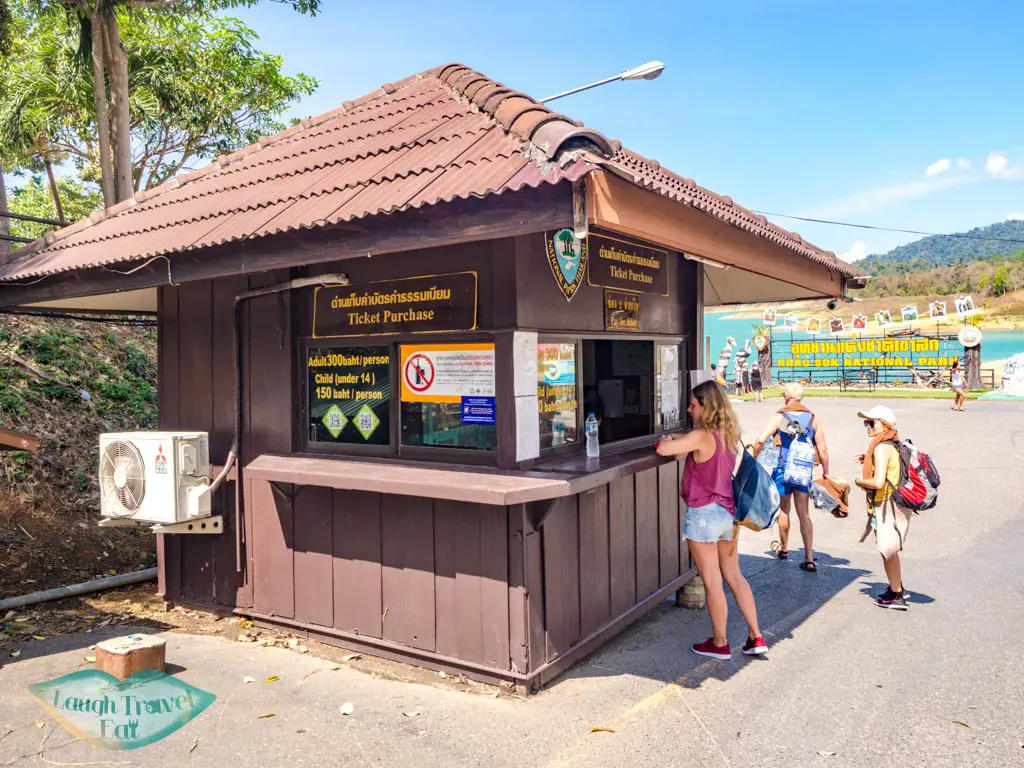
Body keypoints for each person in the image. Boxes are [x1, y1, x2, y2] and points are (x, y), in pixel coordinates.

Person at [656, 379, 768, 659]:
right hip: (727, 514)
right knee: (734, 575)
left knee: (712, 581)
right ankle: (756, 636)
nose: (689, 409)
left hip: (703, 515)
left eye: (693, 404)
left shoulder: (702, 435)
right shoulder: (728, 434)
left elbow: (663, 450)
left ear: (706, 406)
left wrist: (667, 440)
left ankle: (720, 643)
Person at [753, 382, 830, 571]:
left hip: (782, 468)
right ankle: (809, 557)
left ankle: (784, 548)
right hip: (803, 471)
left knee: (784, 510)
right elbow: (823, 449)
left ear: (786, 397)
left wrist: (753, 460)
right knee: (804, 514)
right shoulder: (813, 419)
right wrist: (826, 472)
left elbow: (760, 440)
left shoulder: (779, 417)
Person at [854, 406, 909, 610]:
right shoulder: (891, 443)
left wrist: (859, 481)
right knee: (891, 549)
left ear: (884, 424)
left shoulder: (880, 447)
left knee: (886, 549)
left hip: (885, 503)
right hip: (895, 502)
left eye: (872, 422)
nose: (867, 426)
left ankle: (896, 595)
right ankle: (896, 586)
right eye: (866, 422)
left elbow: (877, 483)